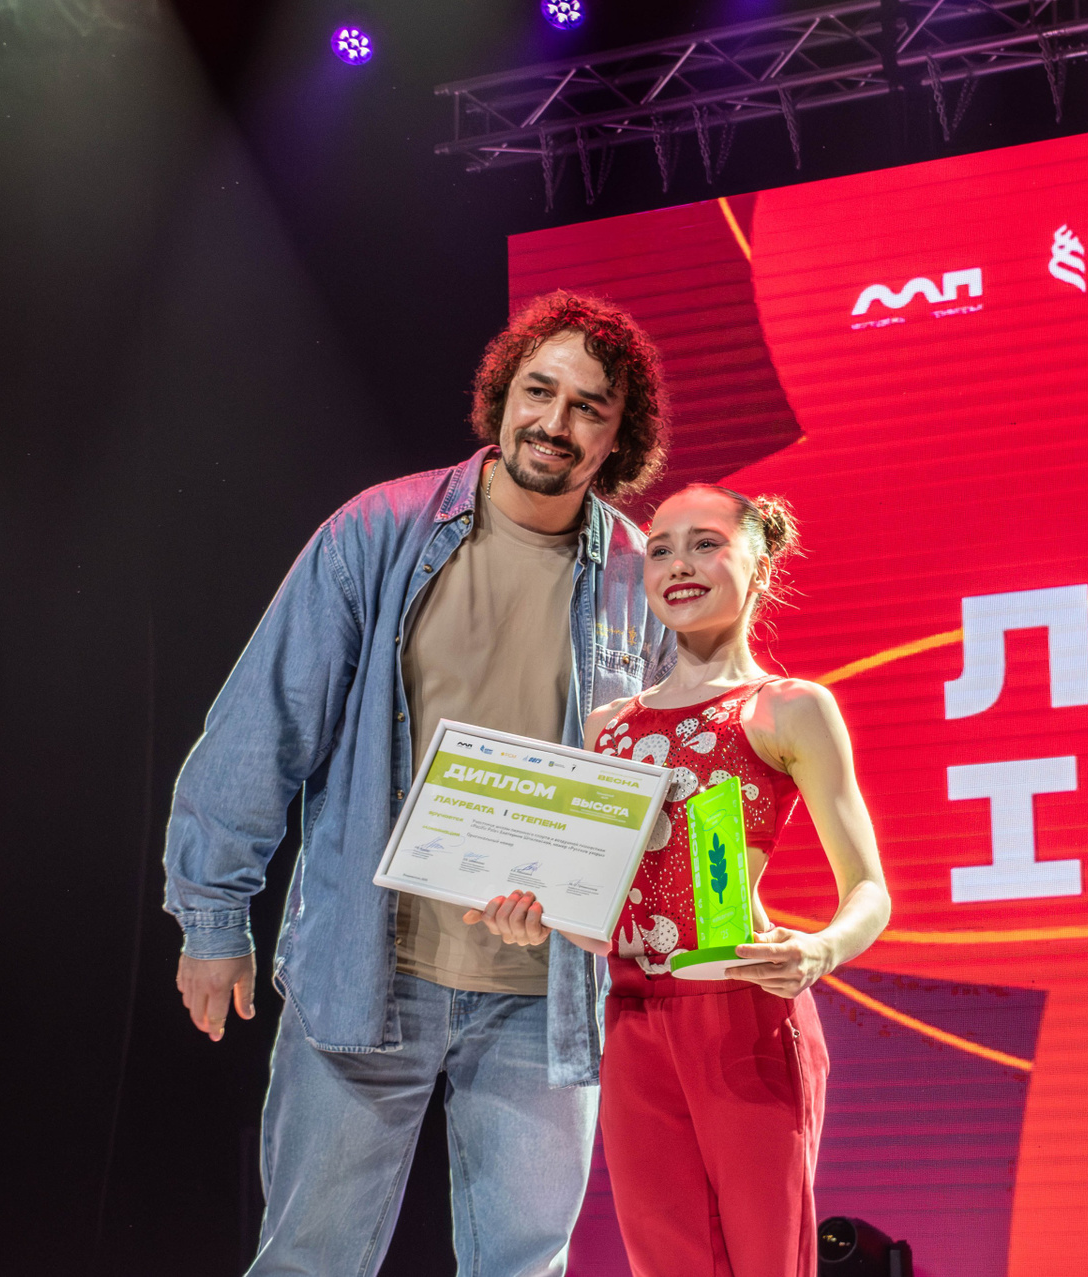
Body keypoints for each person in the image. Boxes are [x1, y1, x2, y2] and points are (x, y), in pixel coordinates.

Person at [164, 290, 676, 1277]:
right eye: (540, 391)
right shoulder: (381, 530)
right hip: (371, 970)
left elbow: (662, 781)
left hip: (542, 997)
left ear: (620, 435)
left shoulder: (634, 574)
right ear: (502, 395)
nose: (556, 422)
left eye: (589, 407)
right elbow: (264, 724)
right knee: (309, 1262)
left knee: (526, 1266)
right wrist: (213, 917)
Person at [467, 483, 892, 1277]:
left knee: (768, 1260)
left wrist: (820, 950)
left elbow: (870, 888)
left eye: (705, 544)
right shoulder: (609, 727)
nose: (677, 564)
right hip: (632, 1023)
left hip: (743, 1014)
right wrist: (534, 914)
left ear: (760, 566)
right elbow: (603, 914)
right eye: (660, 548)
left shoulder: (788, 707)